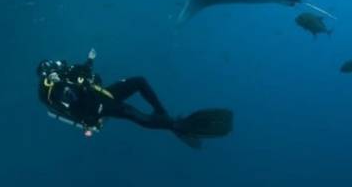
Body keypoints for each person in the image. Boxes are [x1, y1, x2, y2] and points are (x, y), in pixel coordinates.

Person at [37, 49, 233, 148]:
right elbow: (72, 100)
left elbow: (85, 72)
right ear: (46, 72)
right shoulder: (51, 88)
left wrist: (89, 60)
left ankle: (161, 112)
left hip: (101, 93)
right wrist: (77, 86)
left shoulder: (65, 73)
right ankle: (175, 125)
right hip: (92, 108)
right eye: (52, 66)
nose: (58, 65)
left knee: (139, 81)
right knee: (129, 111)